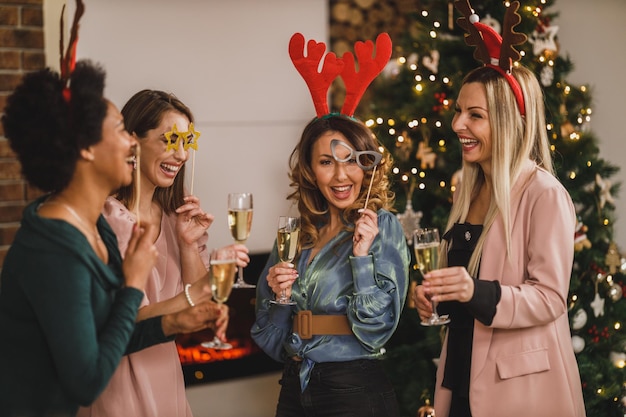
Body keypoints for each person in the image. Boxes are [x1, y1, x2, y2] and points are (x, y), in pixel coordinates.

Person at [0, 59, 224, 416]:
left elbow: (109, 328)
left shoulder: (80, 226)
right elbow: (89, 367)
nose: (130, 142)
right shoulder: (61, 241)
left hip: (159, 373)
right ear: (86, 147)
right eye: (121, 130)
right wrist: (140, 287)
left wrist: (187, 302)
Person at [411, 2, 586, 416]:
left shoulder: (545, 194)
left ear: (507, 123)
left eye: (475, 116)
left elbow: (549, 299)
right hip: (460, 382)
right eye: (458, 112)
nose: (457, 125)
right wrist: (437, 298)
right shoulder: (468, 189)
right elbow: (468, 291)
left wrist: (473, 291)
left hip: (521, 392)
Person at [77, 89, 249, 417]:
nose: (181, 154)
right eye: (171, 139)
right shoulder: (103, 218)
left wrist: (186, 244)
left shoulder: (175, 215)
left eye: (187, 142)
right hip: (116, 378)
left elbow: (200, 305)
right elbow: (117, 320)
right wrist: (192, 297)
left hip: (166, 373)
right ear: (133, 141)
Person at [251, 113, 410, 416]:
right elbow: (270, 339)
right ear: (310, 171)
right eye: (326, 162)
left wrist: (361, 258)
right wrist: (281, 298)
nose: (340, 176)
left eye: (351, 161)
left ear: (367, 166)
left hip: (353, 390)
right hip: (295, 388)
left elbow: (379, 327)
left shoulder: (382, 227)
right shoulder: (296, 235)